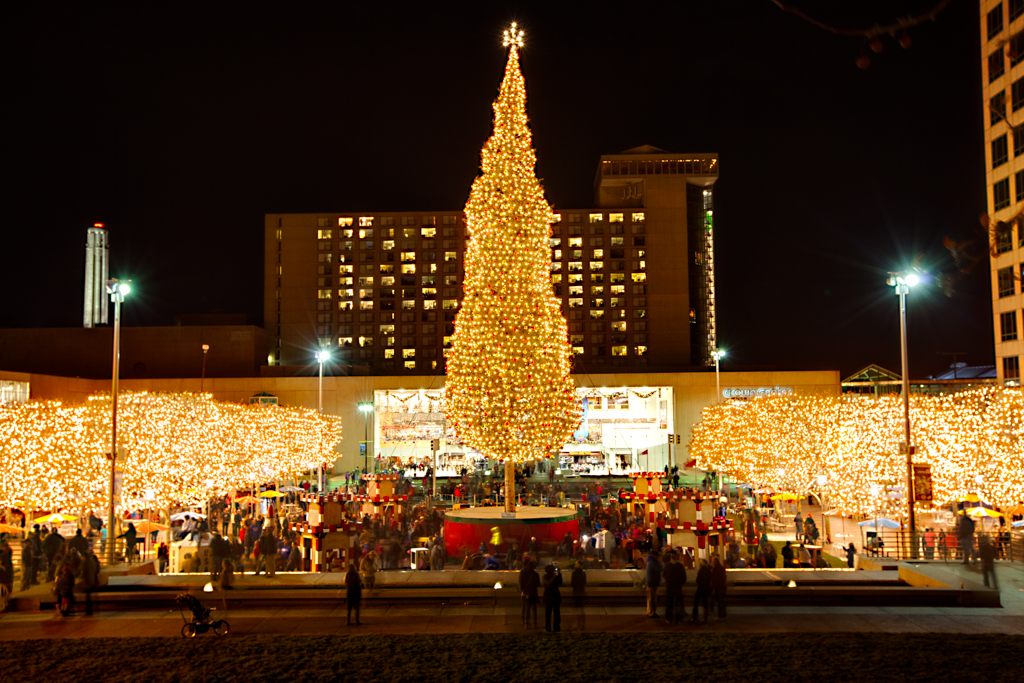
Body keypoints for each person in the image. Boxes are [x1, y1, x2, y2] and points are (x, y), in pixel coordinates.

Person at [662, 550, 687, 625]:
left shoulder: (667, 566)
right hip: (678, 588)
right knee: (678, 604)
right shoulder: (680, 566)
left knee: (669, 604)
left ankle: (669, 619)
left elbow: (664, 575)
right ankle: (678, 619)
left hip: (669, 587)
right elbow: (684, 577)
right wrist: (680, 584)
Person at [518, 559, 539, 628]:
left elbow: (521, 584)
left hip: (526, 593)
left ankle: (526, 623)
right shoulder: (536, 574)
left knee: (527, 608)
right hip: (534, 593)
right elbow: (537, 584)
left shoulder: (523, 574)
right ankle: (535, 623)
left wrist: (522, 591)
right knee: (534, 609)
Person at [542, 564, 562, 633]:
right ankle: (556, 627)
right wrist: (559, 573)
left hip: (547, 597)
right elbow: (560, 582)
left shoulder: (544, 577)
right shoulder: (555, 577)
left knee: (548, 613)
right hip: (555, 596)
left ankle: (548, 627)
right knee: (556, 613)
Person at [81, 547, 101, 616]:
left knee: (88, 597)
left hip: (87, 581)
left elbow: (82, 572)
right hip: (93, 580)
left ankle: (88, 610)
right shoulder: (93, 562)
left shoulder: (85, 563)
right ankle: (90, 609)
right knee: (89, 596)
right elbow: (97, 570)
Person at [692, 558, 711, 624]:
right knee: (705, 605)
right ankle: (705, 618)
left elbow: (698, 580)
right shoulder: (708, 571)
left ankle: (695, 617)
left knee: (696, 603)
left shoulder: (701, 571)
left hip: (700, 589)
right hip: (706, 589)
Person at [645, 549, 662, 618]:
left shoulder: (650, 562)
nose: (658, 557)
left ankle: (649, 611)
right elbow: (660, 568)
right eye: (657, 556)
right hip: (653, 582)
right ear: (653, 555)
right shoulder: (653, 563)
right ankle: (652, 612)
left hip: (651, 582)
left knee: (650, 598)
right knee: (652, 598)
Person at [570, 562, 587, 632]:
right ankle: (583, 624)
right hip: (581, 591)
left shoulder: (574, 573)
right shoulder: (583, 573)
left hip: (576, 592)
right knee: (582, 609)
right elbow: (584, 583)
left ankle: (578, 623)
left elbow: (572, 584)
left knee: (577, 608)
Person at [710, 555, 727, 619]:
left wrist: (712, 588)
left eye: (712, 561)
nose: (712, 562)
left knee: (719, 603)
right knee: (722, 603)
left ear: (715, 562)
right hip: (723, 587)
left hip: (718, 588)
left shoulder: (715, 569)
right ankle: (724, 615)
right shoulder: (722, 567)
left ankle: (720, 616)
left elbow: (714, 579)